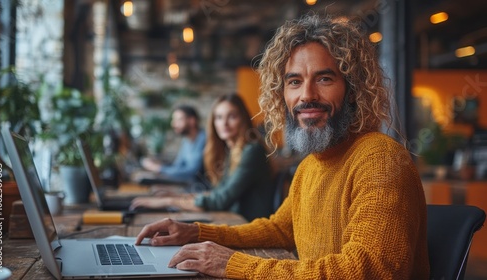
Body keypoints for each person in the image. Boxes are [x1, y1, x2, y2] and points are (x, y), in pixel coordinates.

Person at [135, 13, 429, 279]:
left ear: (352, 90)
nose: (307, 96)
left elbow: (367, 271)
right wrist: (195, 231)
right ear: (283, 94)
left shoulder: (380, 160)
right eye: (294, 82)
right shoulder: (310, 166)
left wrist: (234, 265)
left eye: (324, 78)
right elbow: (280, 230)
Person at [130, 94, 275, 221]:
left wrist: (169, 201)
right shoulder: (233, 151)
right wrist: (178, 197)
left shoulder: (252, 151)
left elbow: (220, 200)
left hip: (249, 226)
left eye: (232, 116)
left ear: (243, 119)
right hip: (233, 220)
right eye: (218, 117)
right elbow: (218, 193)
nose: (224, 123)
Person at [136, 105, 206, 183]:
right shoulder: (186, 141)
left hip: (202, 189)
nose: (173, 124)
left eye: (178, 120)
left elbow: (192, 172)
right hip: (189, 186)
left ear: (192, 121)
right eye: (173, 120)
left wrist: (159, 168)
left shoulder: (204, 140)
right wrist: (158, 165)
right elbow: (178, 166)